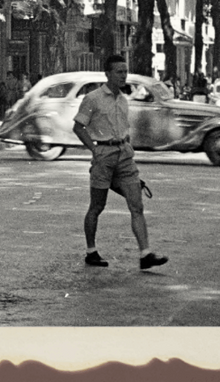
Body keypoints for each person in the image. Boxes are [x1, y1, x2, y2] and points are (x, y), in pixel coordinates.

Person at [71, 54, 167, 271]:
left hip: (124, 154)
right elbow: (78, 127)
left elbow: (124, 129)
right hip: (103, 154)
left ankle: (145, 254)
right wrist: (94, 150)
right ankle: (91, 251)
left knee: (137, 205)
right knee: (97, 205)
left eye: (125, 71)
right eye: (119, 72)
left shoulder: (124, 100)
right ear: (108, 74)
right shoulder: (93, 98)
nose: (123, 75)